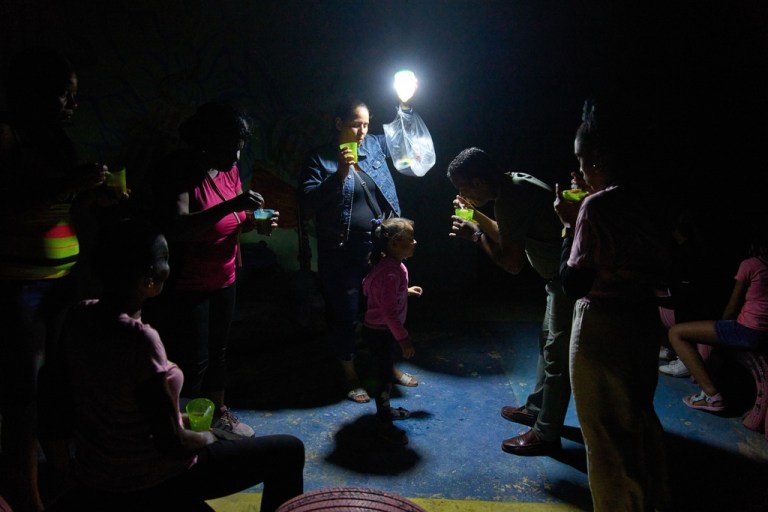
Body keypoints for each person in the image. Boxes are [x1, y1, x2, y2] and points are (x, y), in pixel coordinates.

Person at [38, 218, 304, 512]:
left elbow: (63, 399)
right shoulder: (140, 340)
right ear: (149, 278)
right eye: (166, 259)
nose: (170, 265)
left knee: (189, 404)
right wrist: (209, 436)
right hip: (148, 478)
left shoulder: (79, 316)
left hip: (98, 470)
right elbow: (171, 443)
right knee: (289, 450)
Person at [0, 47, 110, 512]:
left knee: (53, 385)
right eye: (64, 96)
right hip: (19, 286)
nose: (72, 105)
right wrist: (68, 186)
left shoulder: (53, 140)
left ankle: (60, 472)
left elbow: (61, 208)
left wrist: (96, 198)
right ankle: (25, 496)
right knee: (21, 394)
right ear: (34, 94)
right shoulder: (8, 138)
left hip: (60, 282)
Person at [554, 95, 672, 511]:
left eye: (582, 161)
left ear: (598, 158)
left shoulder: (597, 207)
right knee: (637, 420)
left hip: (602, 327)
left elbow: (573, 282)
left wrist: (570, 226)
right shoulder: (652, 195)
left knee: (603, 436)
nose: (581, 171)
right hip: (643, 319)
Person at [145, 102, 278, 438]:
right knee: (194, 359)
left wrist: (254, 223)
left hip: (225, 273)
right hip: (189, 281)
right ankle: (183, 427)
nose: (236, 157)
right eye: (230, 147)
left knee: (218, 351)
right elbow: (177, 227)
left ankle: (218, 413)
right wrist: (234, 205)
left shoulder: (228, 169)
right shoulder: (181, 169)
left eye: (240, 148)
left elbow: (230, 223)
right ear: (209, 140)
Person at [446, 147, 574, 456]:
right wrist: (476, 214)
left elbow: (512, 263)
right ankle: (535, 408)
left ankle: (546, 433)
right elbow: (507, 233)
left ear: (477, 182)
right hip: (557, 280)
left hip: (569, 282)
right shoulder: (511, 186)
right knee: (547, 343)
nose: (462, 193)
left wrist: (476, 237)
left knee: (557, 358)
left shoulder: (511, 197)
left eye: (463, 187)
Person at [299, 96, 424, 403]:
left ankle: (388, 366)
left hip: (380, 251)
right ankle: (350, 375)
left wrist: (405, 110)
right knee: (346, 316)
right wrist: (340, 172)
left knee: (386, 310)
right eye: (356, 124)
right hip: (341, 253)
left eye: (366, 124)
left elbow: (408, 146)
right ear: (339, 123)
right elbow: (306, 205)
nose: (362, 132)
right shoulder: (319, 158)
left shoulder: (374, 147)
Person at [667, 226, 768, 412]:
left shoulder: (751, 264)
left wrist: (721, 325)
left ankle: (712, 396)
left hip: (747, 331)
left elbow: (733, 305)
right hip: (763, 334)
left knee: (676, 333)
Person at [362, 217, 422, 445]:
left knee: (384, 373)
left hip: (378, 331)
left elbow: (374, 292)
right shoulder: (390, 272)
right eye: (410, 239)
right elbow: (387, 312)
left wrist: (404, 291)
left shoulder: (389, 266)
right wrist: (404, 339)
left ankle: (384, 412)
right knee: (383, 376)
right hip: (381, 333)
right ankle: (383, 421)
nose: (415, 242)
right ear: (395, 243)